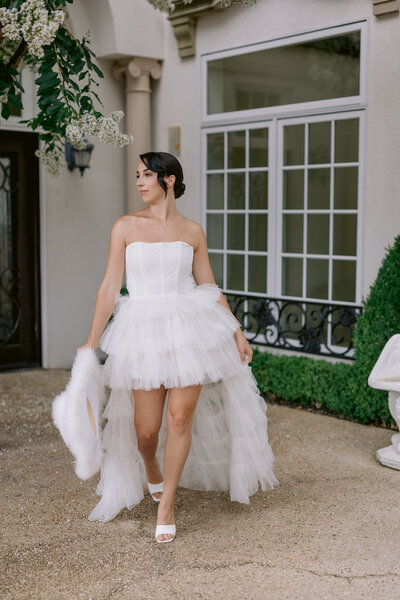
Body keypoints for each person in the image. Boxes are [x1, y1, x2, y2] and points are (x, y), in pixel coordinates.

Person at [77, 151, 278, 543]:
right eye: (138, 175)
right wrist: (91, 339)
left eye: (147, 175)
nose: (140, 182)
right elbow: (108, 287)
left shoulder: (193, 231)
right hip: (143, 331)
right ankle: (151, 467)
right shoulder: (124, 227)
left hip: (190, 330)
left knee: (180, 419)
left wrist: (236, 330)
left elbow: (208, 286)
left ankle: (166, 503)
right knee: (146, 430)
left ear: (168, 180)